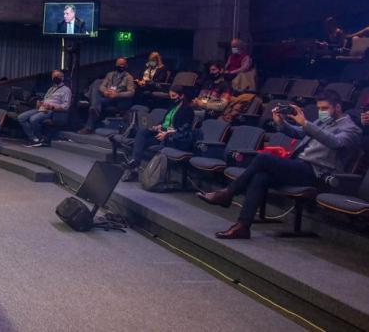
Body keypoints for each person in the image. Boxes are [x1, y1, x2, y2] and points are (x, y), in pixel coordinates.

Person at [197, 91, 360, 239]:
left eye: (325, 108)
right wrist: (281, 123)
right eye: (319, 108)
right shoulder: (324, 121)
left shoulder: (350, 128)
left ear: (338, 107)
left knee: (265, 158)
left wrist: (305, 123)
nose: (321, 112)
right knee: (261, 177)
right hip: (298, 166)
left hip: (317, 173)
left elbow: (335, 143)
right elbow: (299, 133)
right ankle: (242, 226)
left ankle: (228, 193)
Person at [121, 85, 195, 181]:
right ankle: (134, 163)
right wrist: (158, 126)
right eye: (170, 96)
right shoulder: (173, 106)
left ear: (181, 96)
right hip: (161, 133)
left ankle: (134, 166)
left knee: (140, 144)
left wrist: (167, 133)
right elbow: (165, 121)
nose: (171, 98)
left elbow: (185, 129)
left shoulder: (187, 110)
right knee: (142, 133)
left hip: (172, 137)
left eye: (174, 96)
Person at [80, 58, 135, 134]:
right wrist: (105, 91)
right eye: (119, 65)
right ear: (116, 65)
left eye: (123, 65)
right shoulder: (110, 74)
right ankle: (94, 109)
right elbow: (102, 86)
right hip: (107, 97)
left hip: (118, 100)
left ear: (126, 66)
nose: (121, 66)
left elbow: (131, 92)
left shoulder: (129, 77)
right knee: (97, 84)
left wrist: (117, 94)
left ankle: (89, 124)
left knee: (96, 103)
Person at [18, 69, 71, 147]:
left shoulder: (66, 90)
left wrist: (52, 107)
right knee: (21, 117)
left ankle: (40, 138)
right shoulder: (51, 88)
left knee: (33, 119)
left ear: (62, 77)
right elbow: (46, 99)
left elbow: (66, 106)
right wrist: (40, 103)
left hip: (51, 110)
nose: (55, 78)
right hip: (41, 108)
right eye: (54, 76)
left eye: (58, 76)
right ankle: (34, 138)